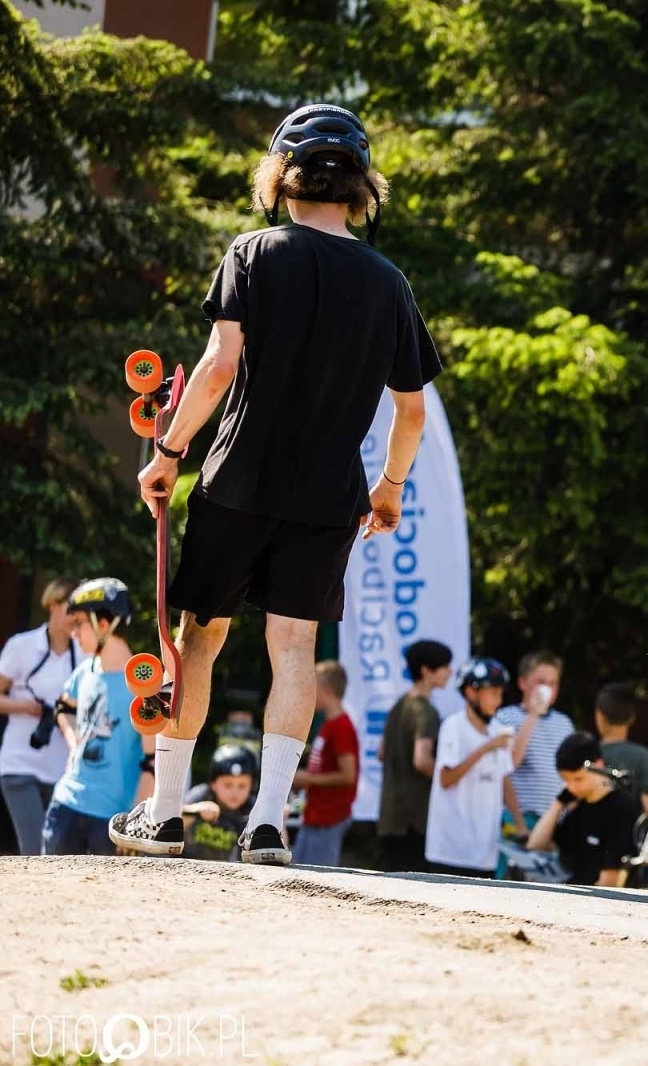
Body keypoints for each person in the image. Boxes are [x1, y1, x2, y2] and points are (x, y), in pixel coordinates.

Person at [109, 103, 441, 865]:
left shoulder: (253, 254)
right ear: (361, 188)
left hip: (236, 481)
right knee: (293, 648)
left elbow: (220, 367)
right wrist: (388, 487)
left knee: (199, 640)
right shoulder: (389, 283)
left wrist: (166, 451)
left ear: (278, 179)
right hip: (330, 496)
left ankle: (163, 816)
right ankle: (266, 824)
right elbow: (412, 410)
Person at [40, 580, 154, 856]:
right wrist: (72, 741)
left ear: (104, 624)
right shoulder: (85, 670)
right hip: (65, 805)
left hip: (111, 818)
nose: (74, 633)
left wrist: (132, 825)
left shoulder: (144, 684)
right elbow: (62, 708)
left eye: (80, 623)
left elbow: (152, 763)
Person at [0, 576, 79, 855]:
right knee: (35, 850)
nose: (75, 617)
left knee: (58, 852)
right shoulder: (21, 646)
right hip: (19, 763)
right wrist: (27, 707)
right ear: (52, 605)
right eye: (70, 608)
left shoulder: (84, 653)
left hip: (63, 770)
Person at [424, 658, 516, 878]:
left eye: (500, 693)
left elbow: (504, 780)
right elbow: (446, 779)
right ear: (471, 692)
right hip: (450, 852)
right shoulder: (453, 726)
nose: (498, 700)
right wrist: (485, 748)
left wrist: (521, 826)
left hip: (485, 853)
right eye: (492, 692)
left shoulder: (498, 730)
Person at [524, 732, 642, 888]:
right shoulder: (579, 808)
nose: (572, 787)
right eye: (566, 780)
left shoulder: (621, 809)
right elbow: (536, 845)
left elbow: (610, 882)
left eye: (578, 779)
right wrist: (559, 802)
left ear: (598, 765)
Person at [377, 638, 452, 872]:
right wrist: (449, 780)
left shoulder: (399, 705)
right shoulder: (426, 712)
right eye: (444, 666)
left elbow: (381, 752)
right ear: (426, 671)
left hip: (390, 814)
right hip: (415, 819)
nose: (450, 671)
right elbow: (422, 760)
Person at [496, 651, 573, 830]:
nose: (548, 688)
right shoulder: (506, 718)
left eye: (553, 683)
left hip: (555, 819)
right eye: (541, 682)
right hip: (518, 817)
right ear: (522, 683)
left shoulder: (564, 723)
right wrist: (533, 715)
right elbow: (509, 762)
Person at [292, 661, 359, 865]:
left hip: (329, 818)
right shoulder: (330, 724)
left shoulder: (341, 727)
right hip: (315, 815)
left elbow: (349, 775)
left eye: (314, 686)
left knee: (317, 877)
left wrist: (307, 778)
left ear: (326, 689)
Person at [592, 682, 648, 818]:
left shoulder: (588, 753)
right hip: (629, 836)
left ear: (600, 717)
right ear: (631, 718)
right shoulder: (642, 756)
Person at [182, 743, 257, 862]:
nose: (234, 792)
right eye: (228, 785)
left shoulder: (254, 810)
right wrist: (195, 810)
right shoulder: (201, 795)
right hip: (188, 867)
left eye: (242, 786)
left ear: (251, 786)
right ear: (213, 783)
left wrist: (278, 822)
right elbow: (173, 820)